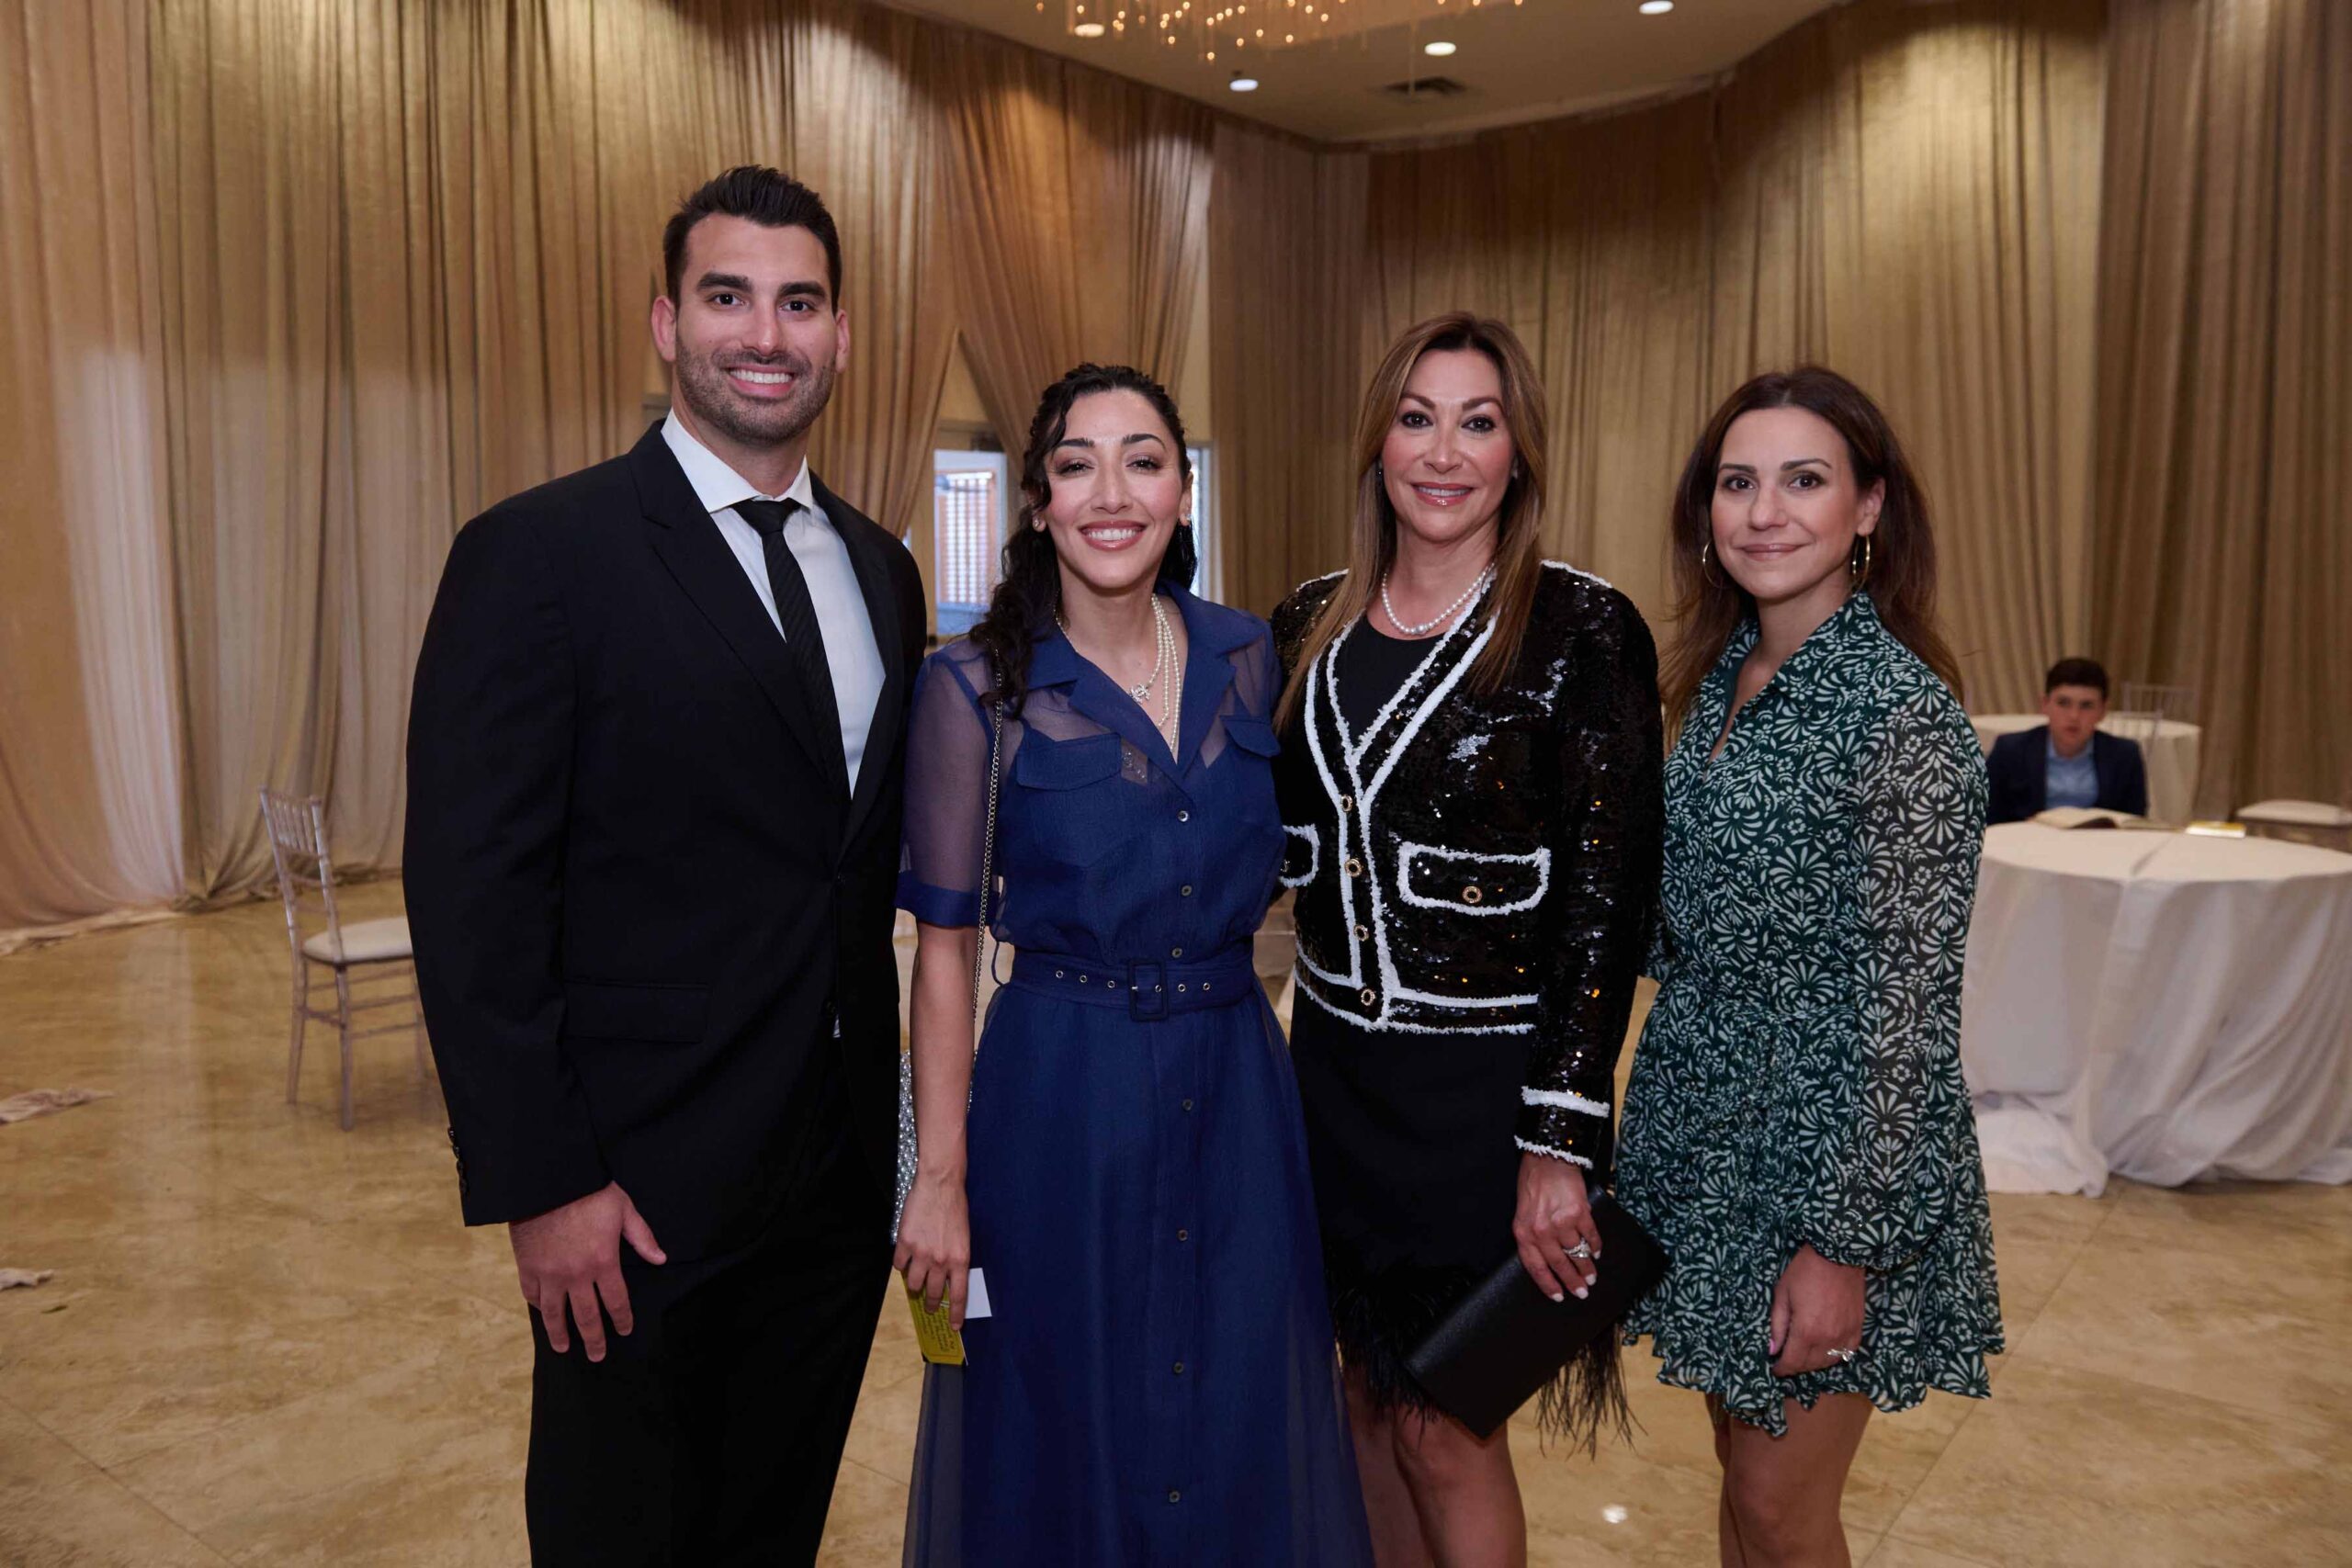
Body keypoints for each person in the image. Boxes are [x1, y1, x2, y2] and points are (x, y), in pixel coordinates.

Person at [405, 166, 925, 1563]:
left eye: (799, 303)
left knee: (773, 1528)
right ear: (665, 322)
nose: (765, 333)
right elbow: (473, 898)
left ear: (841, 335)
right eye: (727, 296)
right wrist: (543, 1180)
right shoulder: (538, 555)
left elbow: (848, 867)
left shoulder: (881, 571)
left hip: (831, 1186)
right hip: (634, 1198)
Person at [891, 364, 1372, 1564]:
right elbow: (943, 955)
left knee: (1237, 1397)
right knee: (1063, 1405)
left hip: (1237, 1086)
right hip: (1061, 1093)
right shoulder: (973, 687)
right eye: (1077, 464)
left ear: (1181, 493)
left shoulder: (1248, 654)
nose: (1112, 492)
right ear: (1038, 501)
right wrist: (937, 1178)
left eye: (1143, 460)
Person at [1269, 312, 1664, 1565]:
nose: (1444, 453)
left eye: (1477, 423)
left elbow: (1607, 904)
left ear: (1518, 452)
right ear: (1377, 441)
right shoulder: (1306, 622)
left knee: (1447, 1420)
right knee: (1361, 1396)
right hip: (1332, 1080)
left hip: (1488, 1103)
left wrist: (1559, 1140)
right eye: (1416, 418)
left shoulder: (1583, 628)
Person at [1617, 367, 2003, 1567]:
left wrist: (1842, 1245)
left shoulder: (1902, 715)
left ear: (1868, 506)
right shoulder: (1721, 677)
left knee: (1783, 1507)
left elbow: (1907, 1010)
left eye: (1803, 480)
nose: (1764, 511)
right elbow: (1687, 921)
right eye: (1738, 482)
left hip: (1827, 1155)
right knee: (1742, 1486)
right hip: (1707, 1133)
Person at [1984, 657, 2150, 823]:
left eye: (2086, 706)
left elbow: (2133, 822)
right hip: (2027, 838)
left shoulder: (2124, 755)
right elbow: (1986, 815)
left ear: (2103, 711)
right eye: (2063, 703)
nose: (2074, 716)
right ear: (2045, 704)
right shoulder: (2011, 750)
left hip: (2099, 839)